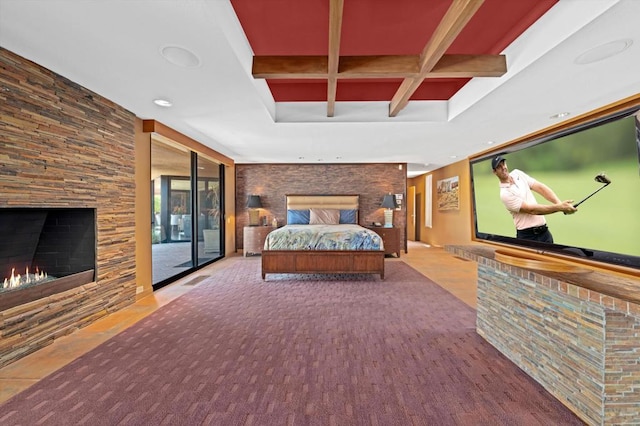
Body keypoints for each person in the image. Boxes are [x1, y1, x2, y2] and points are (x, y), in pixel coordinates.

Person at [492, 155, 577, 243]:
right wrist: (560, 207)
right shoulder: (505, 194)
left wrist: (560, 204)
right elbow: (532, 210)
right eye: (499, 167)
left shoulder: (517, 173)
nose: (503, 168)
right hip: (528, 237)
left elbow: (540, 188)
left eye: (504, 164)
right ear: (494, 172)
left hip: (545, 233)